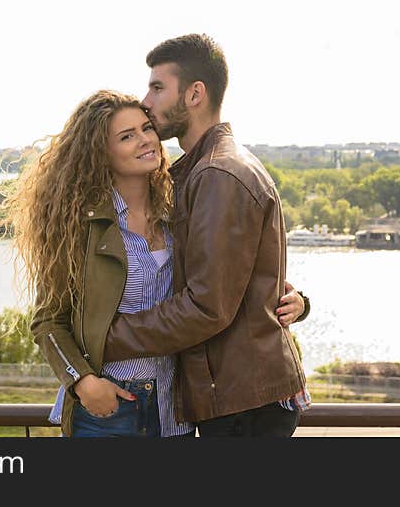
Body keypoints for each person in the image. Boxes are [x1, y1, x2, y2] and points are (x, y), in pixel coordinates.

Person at [0, 90, 304, 437]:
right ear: (101, 151)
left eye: (147, 128)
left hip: (175, 409)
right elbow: (48, 321)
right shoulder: (80, 226)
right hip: (108, 406)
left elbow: (228, 282)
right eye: (127, 136)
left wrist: (296, 301)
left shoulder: (181, 212)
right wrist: (82, 382)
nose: (146, 141)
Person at [102, 33, 311, 437]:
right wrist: (294, 300)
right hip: (235, 395)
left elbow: (206, 307)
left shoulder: (218, 175)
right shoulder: (196, 172)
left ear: (194, 94)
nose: (146, 100)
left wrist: (105, 338)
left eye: (158, 87)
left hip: (244, 403)